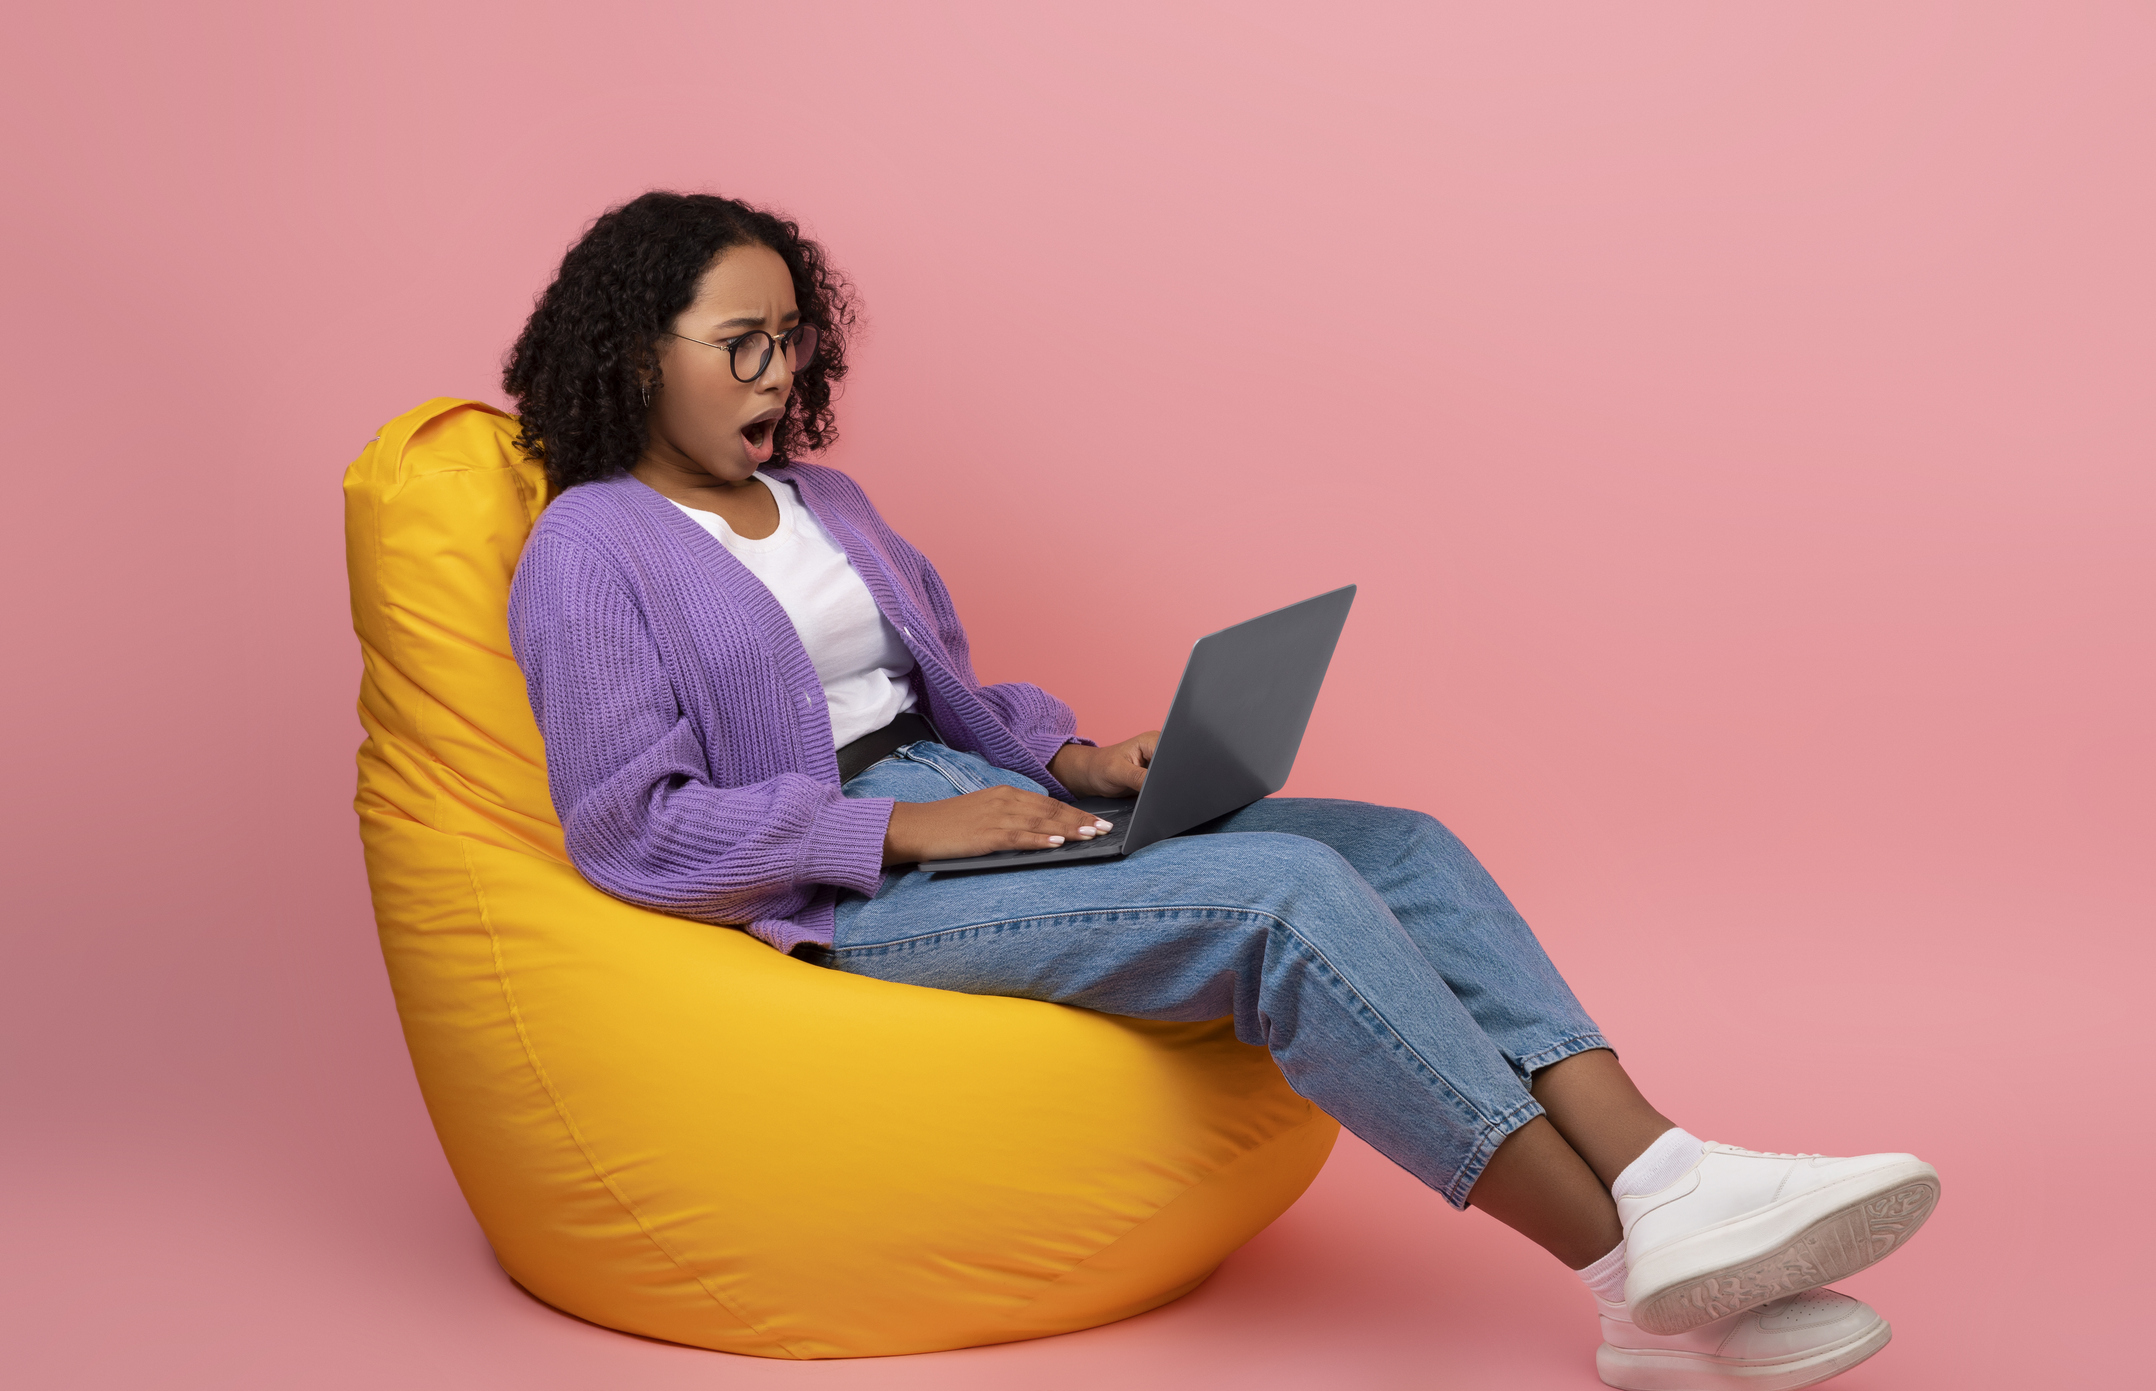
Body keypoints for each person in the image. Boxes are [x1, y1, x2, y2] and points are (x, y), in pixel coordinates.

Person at [502, 191, 1938, 1390]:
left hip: (985, 814)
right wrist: (896, 830)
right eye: (737, 343)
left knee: (1399, 843)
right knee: (1285, 900)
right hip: (851, 889)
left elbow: (948, 691)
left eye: (788, 342)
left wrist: (1072, 760)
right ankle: (1636, 1283)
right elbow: (631, 828)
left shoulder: (831, 502)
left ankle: (1671, 1174)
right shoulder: (592, 547)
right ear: (637, 356)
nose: (773, 375)